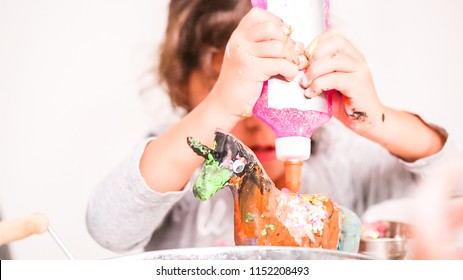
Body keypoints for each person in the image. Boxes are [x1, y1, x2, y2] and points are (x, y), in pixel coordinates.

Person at [86, 0, 453, 253]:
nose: (258, 118)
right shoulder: (179, 164)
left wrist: (379, 120)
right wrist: (219, 109)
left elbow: (453, 186)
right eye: (231, 85)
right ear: (183, 82)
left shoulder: (343, 166)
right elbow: (109, 229)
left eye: (280, 87)